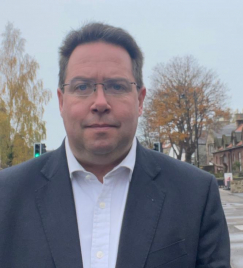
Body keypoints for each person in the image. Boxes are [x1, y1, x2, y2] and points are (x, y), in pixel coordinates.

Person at [0, 23, 230, 268]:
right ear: (61, 101)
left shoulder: (195, 194)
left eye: (117, 87)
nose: (100, 102)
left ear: (140, 101)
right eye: (82, 87)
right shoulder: (7, 195)